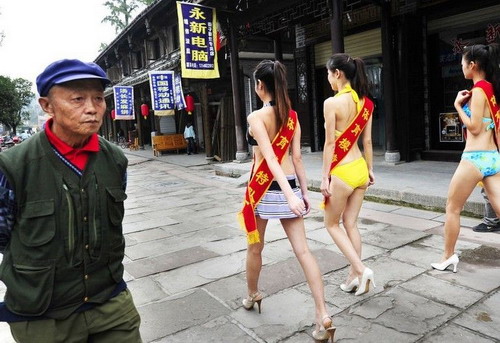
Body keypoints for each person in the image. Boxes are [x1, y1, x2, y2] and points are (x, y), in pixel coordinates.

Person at [0, 59, 142, 342]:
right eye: (77, 99)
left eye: (98, 98)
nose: (92, 108)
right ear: (47, 105)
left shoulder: (114, 160)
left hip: (110, 302)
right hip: (42, 315)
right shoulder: (13, 166)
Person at [239, 60, 334, 342]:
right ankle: (323, 313)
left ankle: (253, 294)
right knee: (304, 252)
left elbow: (268, 158)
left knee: (255, 249)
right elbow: (297, 158)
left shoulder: (255, 117)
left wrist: (293, 195)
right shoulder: (292, 116)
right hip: (289, 183)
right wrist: (302, 191)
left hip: (263, 190)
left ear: (259, 85)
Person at [431, 43, 500, 273]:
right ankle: (447, 256)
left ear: (472, 65)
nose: (461, 67)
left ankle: (448, 256)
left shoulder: (479, 90)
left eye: (462, 63)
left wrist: (457, 106)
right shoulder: (492, 89)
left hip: (475, 157)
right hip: (493, 157)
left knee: (452, 207)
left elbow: (474, 127)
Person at [320, 53, 376, 296]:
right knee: (351, 224)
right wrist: (370, 169)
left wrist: (324, 177)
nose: (329, 79)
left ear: (337, 73)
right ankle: (354, 277)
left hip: (342, 171)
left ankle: (361, 269)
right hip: (360, 169)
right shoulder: (367, 103)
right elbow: (368, 141)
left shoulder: (331, 103)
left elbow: (330, 144)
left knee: (331, 224)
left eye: (329, 74)